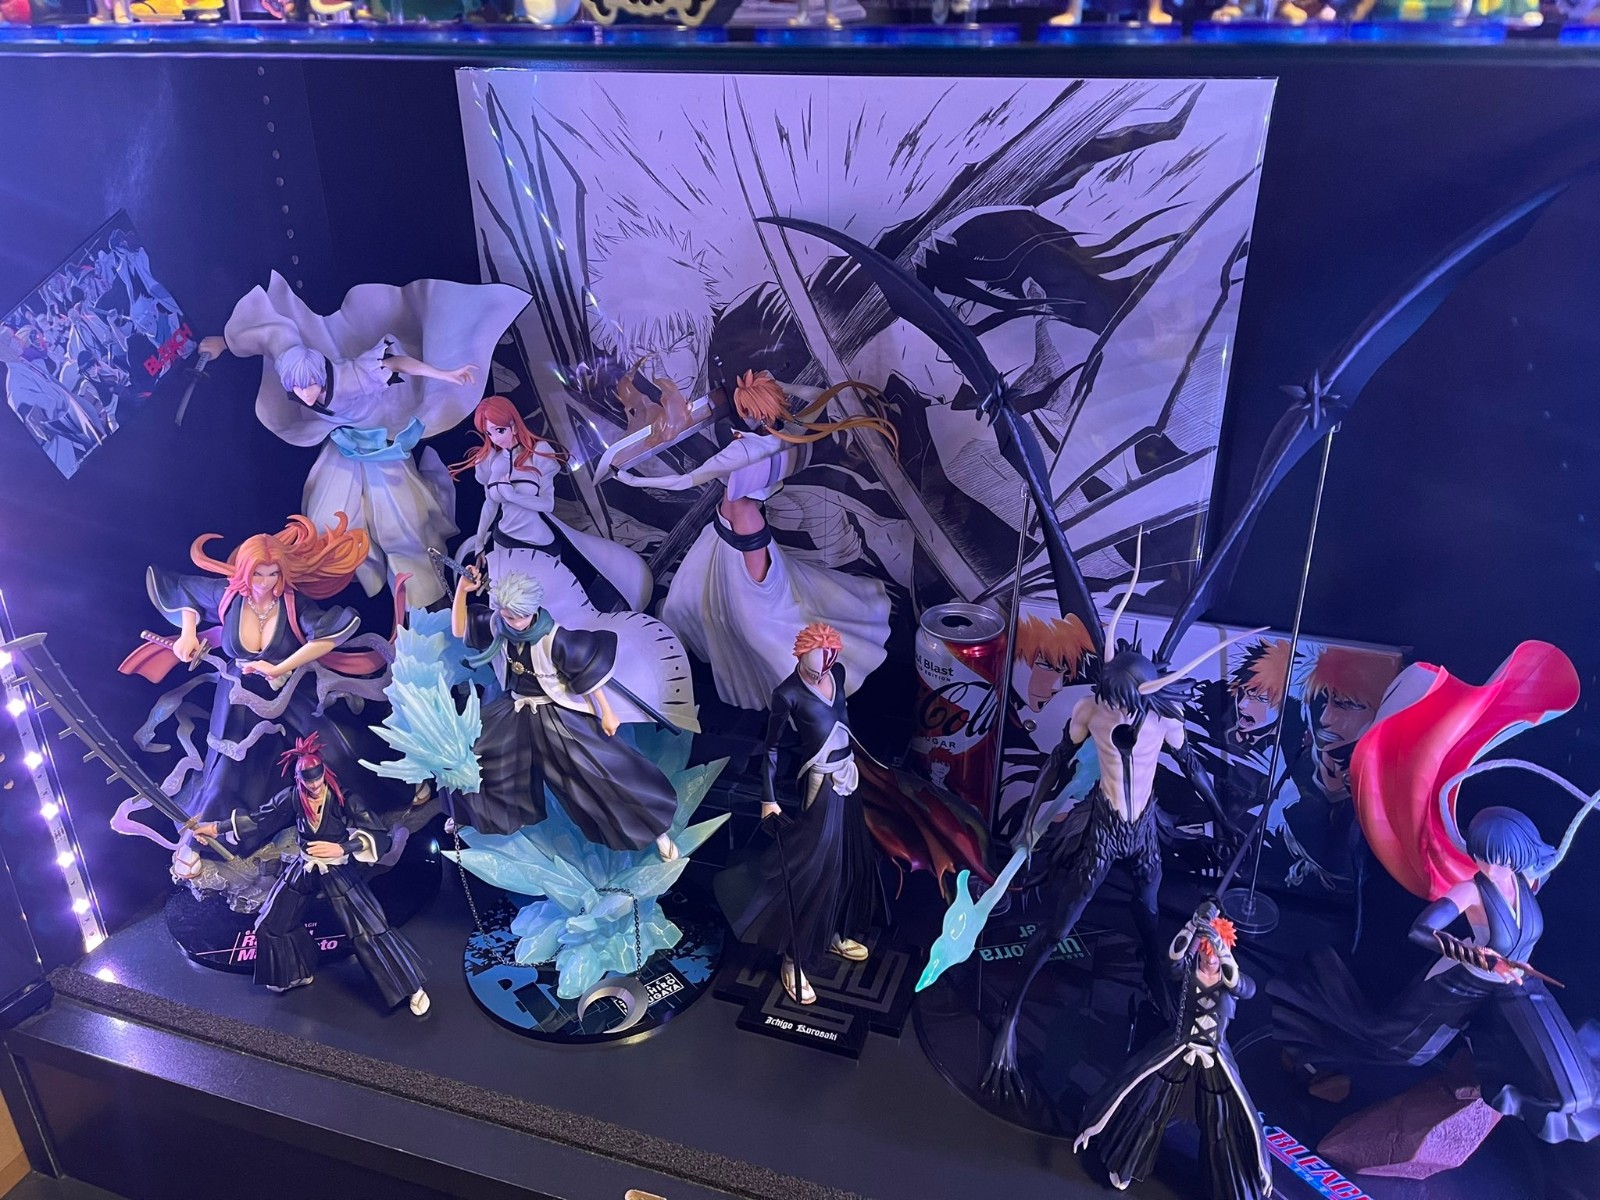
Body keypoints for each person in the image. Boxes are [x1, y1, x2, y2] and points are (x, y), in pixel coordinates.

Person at [199, 273, 529, 607]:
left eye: (310, 386)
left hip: (379, 445)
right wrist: (224, 343)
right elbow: (269, 334)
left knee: (401, 525)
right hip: (343, 447)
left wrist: (444, 374)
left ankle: (424, 602)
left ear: (322, 377)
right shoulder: (292, 362)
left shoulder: (349, 378)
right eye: (296, 389)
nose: (305, 394)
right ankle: (330, 585)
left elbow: (396, 363)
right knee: (328, 523)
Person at [615, 369, 894, 710]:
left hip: (744, 533)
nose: (740, 414)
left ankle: (807, 696)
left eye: (745, 408)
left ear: (757, 412)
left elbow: (687, 480)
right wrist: (779, 386)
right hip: (722, 531)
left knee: (761, 625)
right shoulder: (783, 437)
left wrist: (631, 480)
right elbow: (809, 396)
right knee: (683, 601)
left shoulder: (748, 449)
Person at [118, 514, 391, 832]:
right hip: (238, 696)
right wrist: (187, 634)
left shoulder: (293, 603)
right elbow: (184, 589)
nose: (264, 582)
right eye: (258, 574)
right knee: (231, 772)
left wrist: (279, 667)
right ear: (246, 571)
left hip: (289, 689)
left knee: (339, 751)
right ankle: (221, 832)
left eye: (273, 574)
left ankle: (372, 807)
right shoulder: (227, 595)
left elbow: (328, 635)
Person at [450, 566, 681, 858]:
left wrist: (607, 712)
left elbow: (587, 675)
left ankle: (654, 830)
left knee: (598, 770)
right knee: (474, 752)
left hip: (554, 715)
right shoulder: (498, 625)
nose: (516, 623)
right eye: (509, 616)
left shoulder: (555, 638)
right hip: (515, 709)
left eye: (521, 616)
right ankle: (471, 817)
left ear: (534, 610)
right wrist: (462, 591)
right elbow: (460, 629)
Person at [193, 735, 429, 1016]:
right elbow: (259, 818)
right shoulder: (294, 797)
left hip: (337, 868)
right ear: (299, 779)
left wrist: (342, 847)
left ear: (324, 774)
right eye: (308, 782)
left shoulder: (344, 798)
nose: (315, 787)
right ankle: (296, 972)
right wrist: (215, 828)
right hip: (303, 867)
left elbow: (377, 833)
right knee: (272, 922)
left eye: (318, 780)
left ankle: (412, 988)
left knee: (370, 927)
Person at [714, 624, 886, 1005]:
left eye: (829, 659)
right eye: (816, 660)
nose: (823, 667)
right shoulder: (788, 693)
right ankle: (792, 959)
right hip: (819, 784)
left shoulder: (837, 675)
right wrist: (769, 798)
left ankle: (832, 933)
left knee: (848, 863)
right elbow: (772, 748)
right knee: (814, 869)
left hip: (849, 777)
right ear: (801, 655)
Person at [1075, 905, 1272, 1200]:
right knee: (1149, 1100)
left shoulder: (1230, 979)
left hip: (1215, 1055)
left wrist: (1221, 949)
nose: (1209, 960)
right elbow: (1174, 962)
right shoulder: (1189, 971)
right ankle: (1124, 1163)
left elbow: (1247, 988)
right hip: (1178, 1046)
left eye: (1214, 954)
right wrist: (1192, 926)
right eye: (1205, 953)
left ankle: (1231, 1187)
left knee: (1225, 1119)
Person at [451, 395, 650, 618]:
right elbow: (490, 505)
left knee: (551, 608)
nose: (495, 439)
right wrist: (480, 543)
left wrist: (512, 495)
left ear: (513, 426)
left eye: (499, 430)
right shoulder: (490, 461)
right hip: (503, 542)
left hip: (539, 543)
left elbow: (547, 503)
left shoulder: (539, 453)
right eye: (489, 434)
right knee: (504, 610)